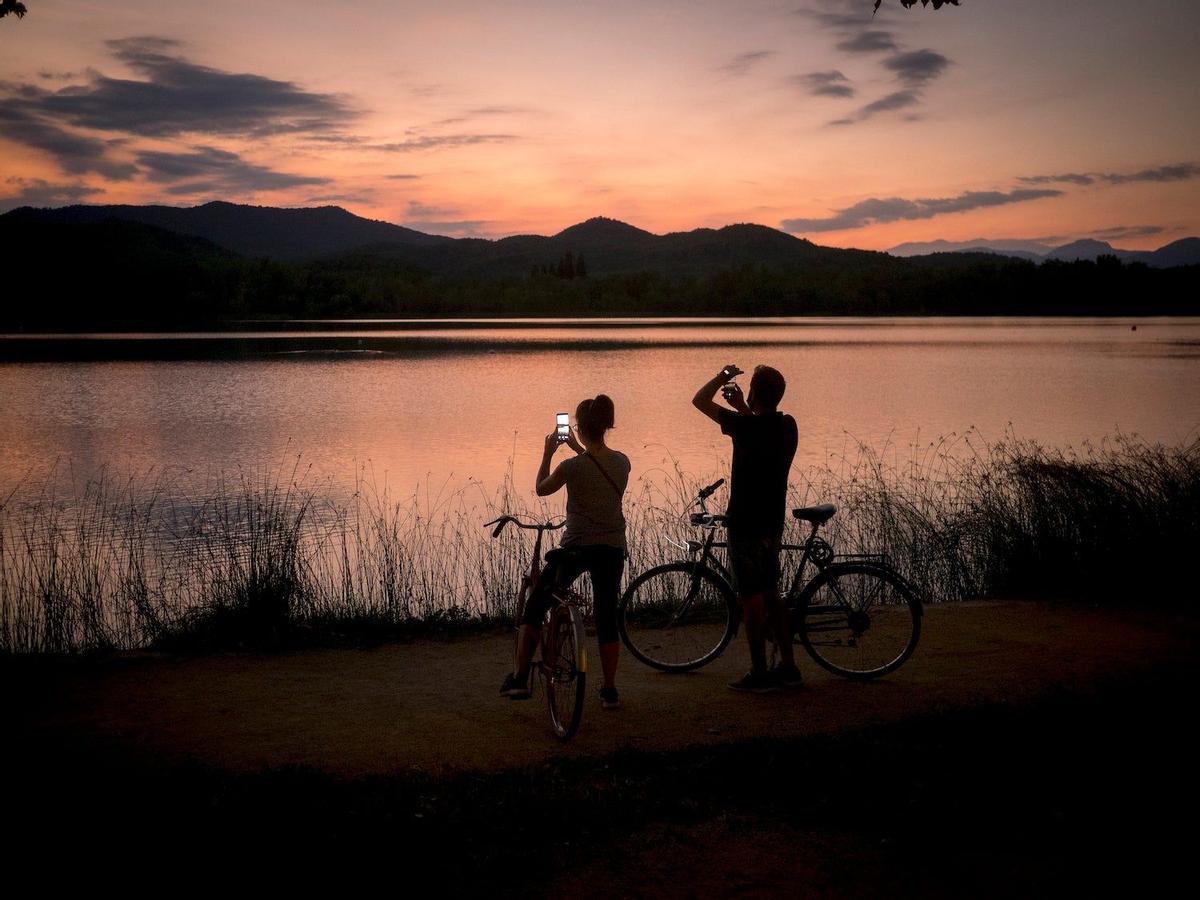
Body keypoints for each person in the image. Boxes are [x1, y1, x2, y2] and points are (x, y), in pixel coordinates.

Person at [500, 394, 631, 709]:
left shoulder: (570, 466)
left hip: (576, 549)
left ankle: (519, 678)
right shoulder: (623, 461)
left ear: (580, 428)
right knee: (606, 615)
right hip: (612, 549)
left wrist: (548, 453)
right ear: (607, 425)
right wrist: (577, 447)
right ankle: (610, 690)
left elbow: (542, 488)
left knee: (536, 605)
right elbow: (595, 464)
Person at [693, 364, 800, 693]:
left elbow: (699, 400)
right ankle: (788, 667)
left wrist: (722, 377)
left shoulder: (743, 426)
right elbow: (763, 430)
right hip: (772, 524)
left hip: (745, 524)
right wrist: (743, 406)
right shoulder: (786, 426)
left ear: (754, 393)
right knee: (771, 594)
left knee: (752, 602)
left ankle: (759, 673)